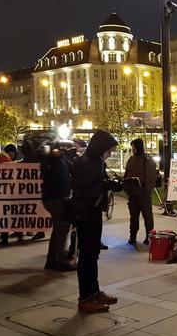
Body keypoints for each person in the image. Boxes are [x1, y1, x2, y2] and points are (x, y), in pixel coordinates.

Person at [71, 129, 120, 313]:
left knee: (92, 254)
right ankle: (85, 297)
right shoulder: (86, 162)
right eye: (109, 149)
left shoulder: (95, 160)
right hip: (85, 213)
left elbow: (96, 183)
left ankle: (94, 291)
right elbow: (83, 190)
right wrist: (104, 185)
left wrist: (108, 184)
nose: (110, 153)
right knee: (87, 256)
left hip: (92, 212)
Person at [41, 140, 75, 271]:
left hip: (57, 198)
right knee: (62, 227)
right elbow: (51, 174)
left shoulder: (61, 160)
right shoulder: (50, 161)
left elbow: (72, 167)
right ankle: (59, 260)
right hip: (54, 198)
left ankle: (52, 259)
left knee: (59, 229)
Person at [123, 138, 156, 245]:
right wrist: (127, 189)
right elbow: (127, 175)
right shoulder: (131, 159)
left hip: (143, 195)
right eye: (132, 147)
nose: (132, 149)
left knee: (147, 217)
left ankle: (149, 236)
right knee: (134, 217)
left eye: (134, 147)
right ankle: (132, 236)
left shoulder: (147, 160)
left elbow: (150, 178)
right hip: (133, 195)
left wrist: (146, 192)